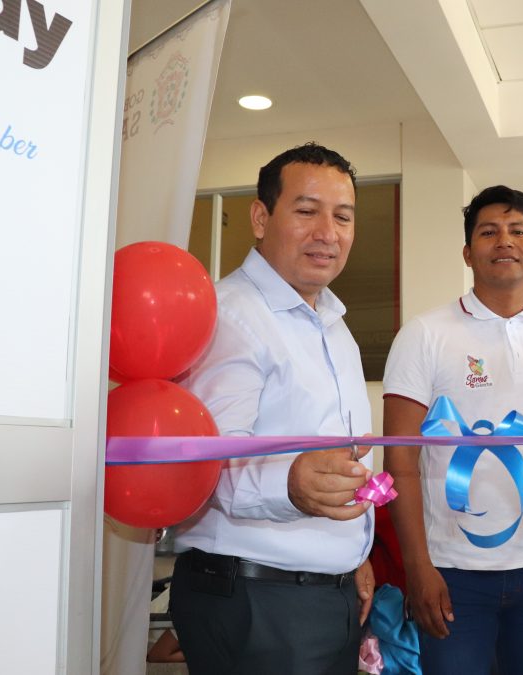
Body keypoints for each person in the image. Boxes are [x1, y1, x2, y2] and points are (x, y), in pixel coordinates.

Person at [169, 142, 376, 675]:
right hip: (258, 603)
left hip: (325, 595)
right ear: (261, 218)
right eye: (306, 211)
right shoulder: (232, 317)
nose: (327, 233)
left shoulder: (335, 326)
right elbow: (203, 464)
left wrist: (355, 554)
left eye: (343, 216)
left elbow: (344, 463)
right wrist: (289, 482)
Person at [382, 185, 523, 675]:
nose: (504, 240)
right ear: (468, 251)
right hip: (454, 573)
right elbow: (400, 461)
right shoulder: (425, 334)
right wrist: (417, 567)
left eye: (518, 230)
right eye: (488, 232)